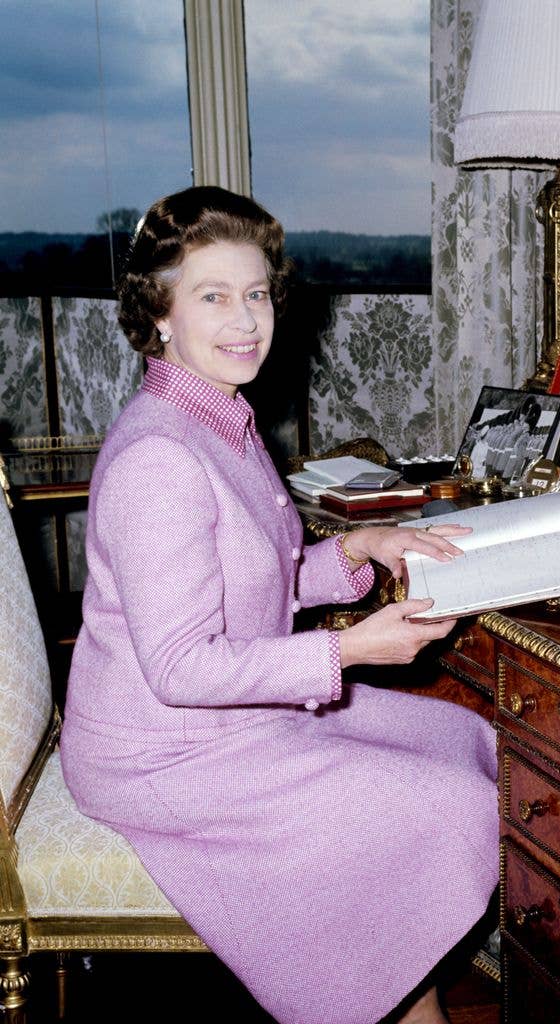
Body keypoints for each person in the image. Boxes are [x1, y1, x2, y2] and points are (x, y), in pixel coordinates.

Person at [58, 186, 498, 1024]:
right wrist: (351, 651)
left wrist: (357, 552)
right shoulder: (161, 455)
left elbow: (245, 581)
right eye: (212, 296)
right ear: (159, 312)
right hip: (165, 753)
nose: (245, 320)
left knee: (462, 741)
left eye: (256, 294)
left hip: (232, 713)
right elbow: (184, 665)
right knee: (448, 805)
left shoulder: (219, 414)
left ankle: (399, 986)